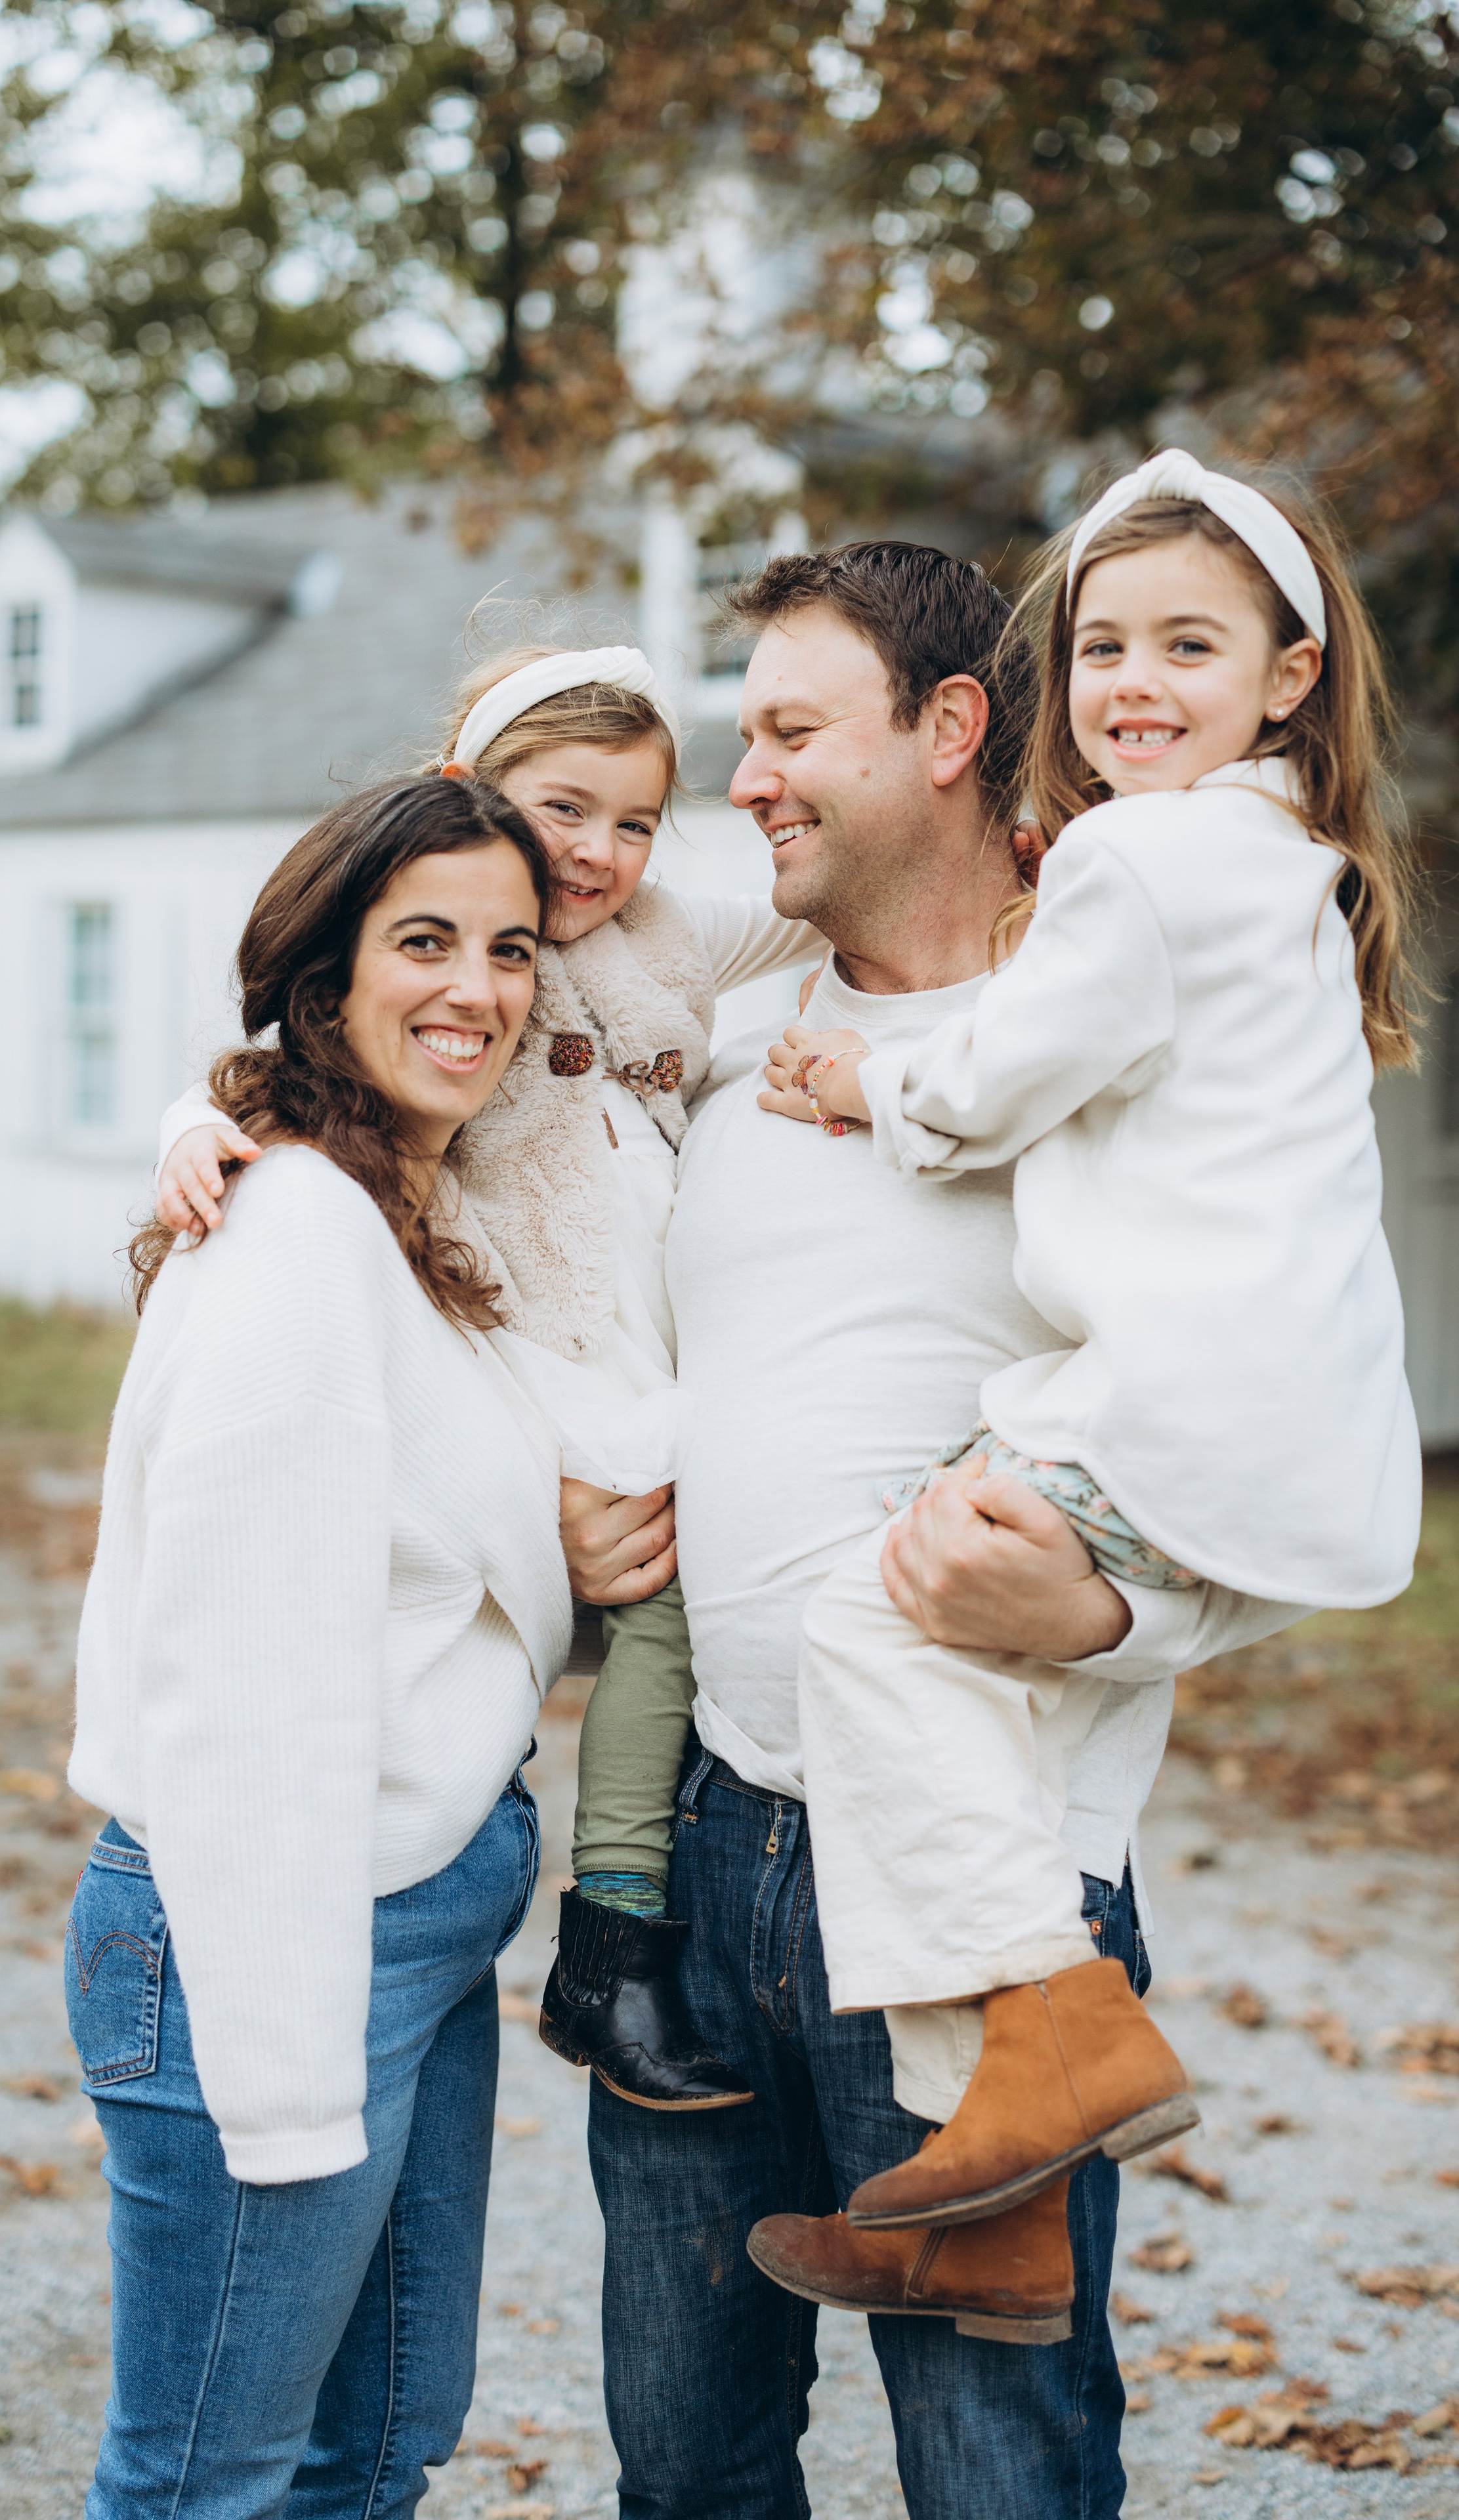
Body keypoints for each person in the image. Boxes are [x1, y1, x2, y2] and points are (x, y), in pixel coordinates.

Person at [558, 539, 1317, 2518]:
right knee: (688, 2467)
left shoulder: (1135, 1061)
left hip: (987, 1882)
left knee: (1001, 2476)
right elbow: (398, 1053)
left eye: (796, 730)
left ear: (954, 730)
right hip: (701, 1856)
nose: (751, 779)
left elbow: (1264, 1433)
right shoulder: (721, 1045)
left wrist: (1102, 1623)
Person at [753, 453, 1422, 2252]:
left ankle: (1055, 2030)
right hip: (1289, 1423)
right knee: (989, 1705)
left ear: (1290, 674)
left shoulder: (1144, 853)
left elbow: (1005, 1073)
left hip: (1165, 1403)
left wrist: (860, 1078)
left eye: (1188, 646)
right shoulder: (1289, 861)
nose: (1133, 683)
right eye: (1105, 642)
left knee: (871, 1619)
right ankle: (993, 2191)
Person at [154, 640, 822, 2113]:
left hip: (636, 1312)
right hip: (522, 1312)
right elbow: (282, 1037)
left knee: (681, 1575)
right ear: (470, 791)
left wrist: (1028, 851)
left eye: (637, 821)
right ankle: (614, 1928)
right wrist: (179, 1131)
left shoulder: (655, 936)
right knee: (659, 1578)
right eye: (562, 809)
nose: (597, 852)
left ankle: (595, 1904)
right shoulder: (447, 955)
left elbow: (809, 909)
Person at [65, 775, 573, 2518]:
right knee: (210, 2477)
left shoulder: (406, 1218)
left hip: (408, 1916)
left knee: (371, 2453)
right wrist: (280, 2088)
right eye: (424, 941)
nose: (478, 988)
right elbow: (239, 1689)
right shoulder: (296, 1236)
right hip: (270, 1938)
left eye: (512, 947)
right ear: (324, 980)